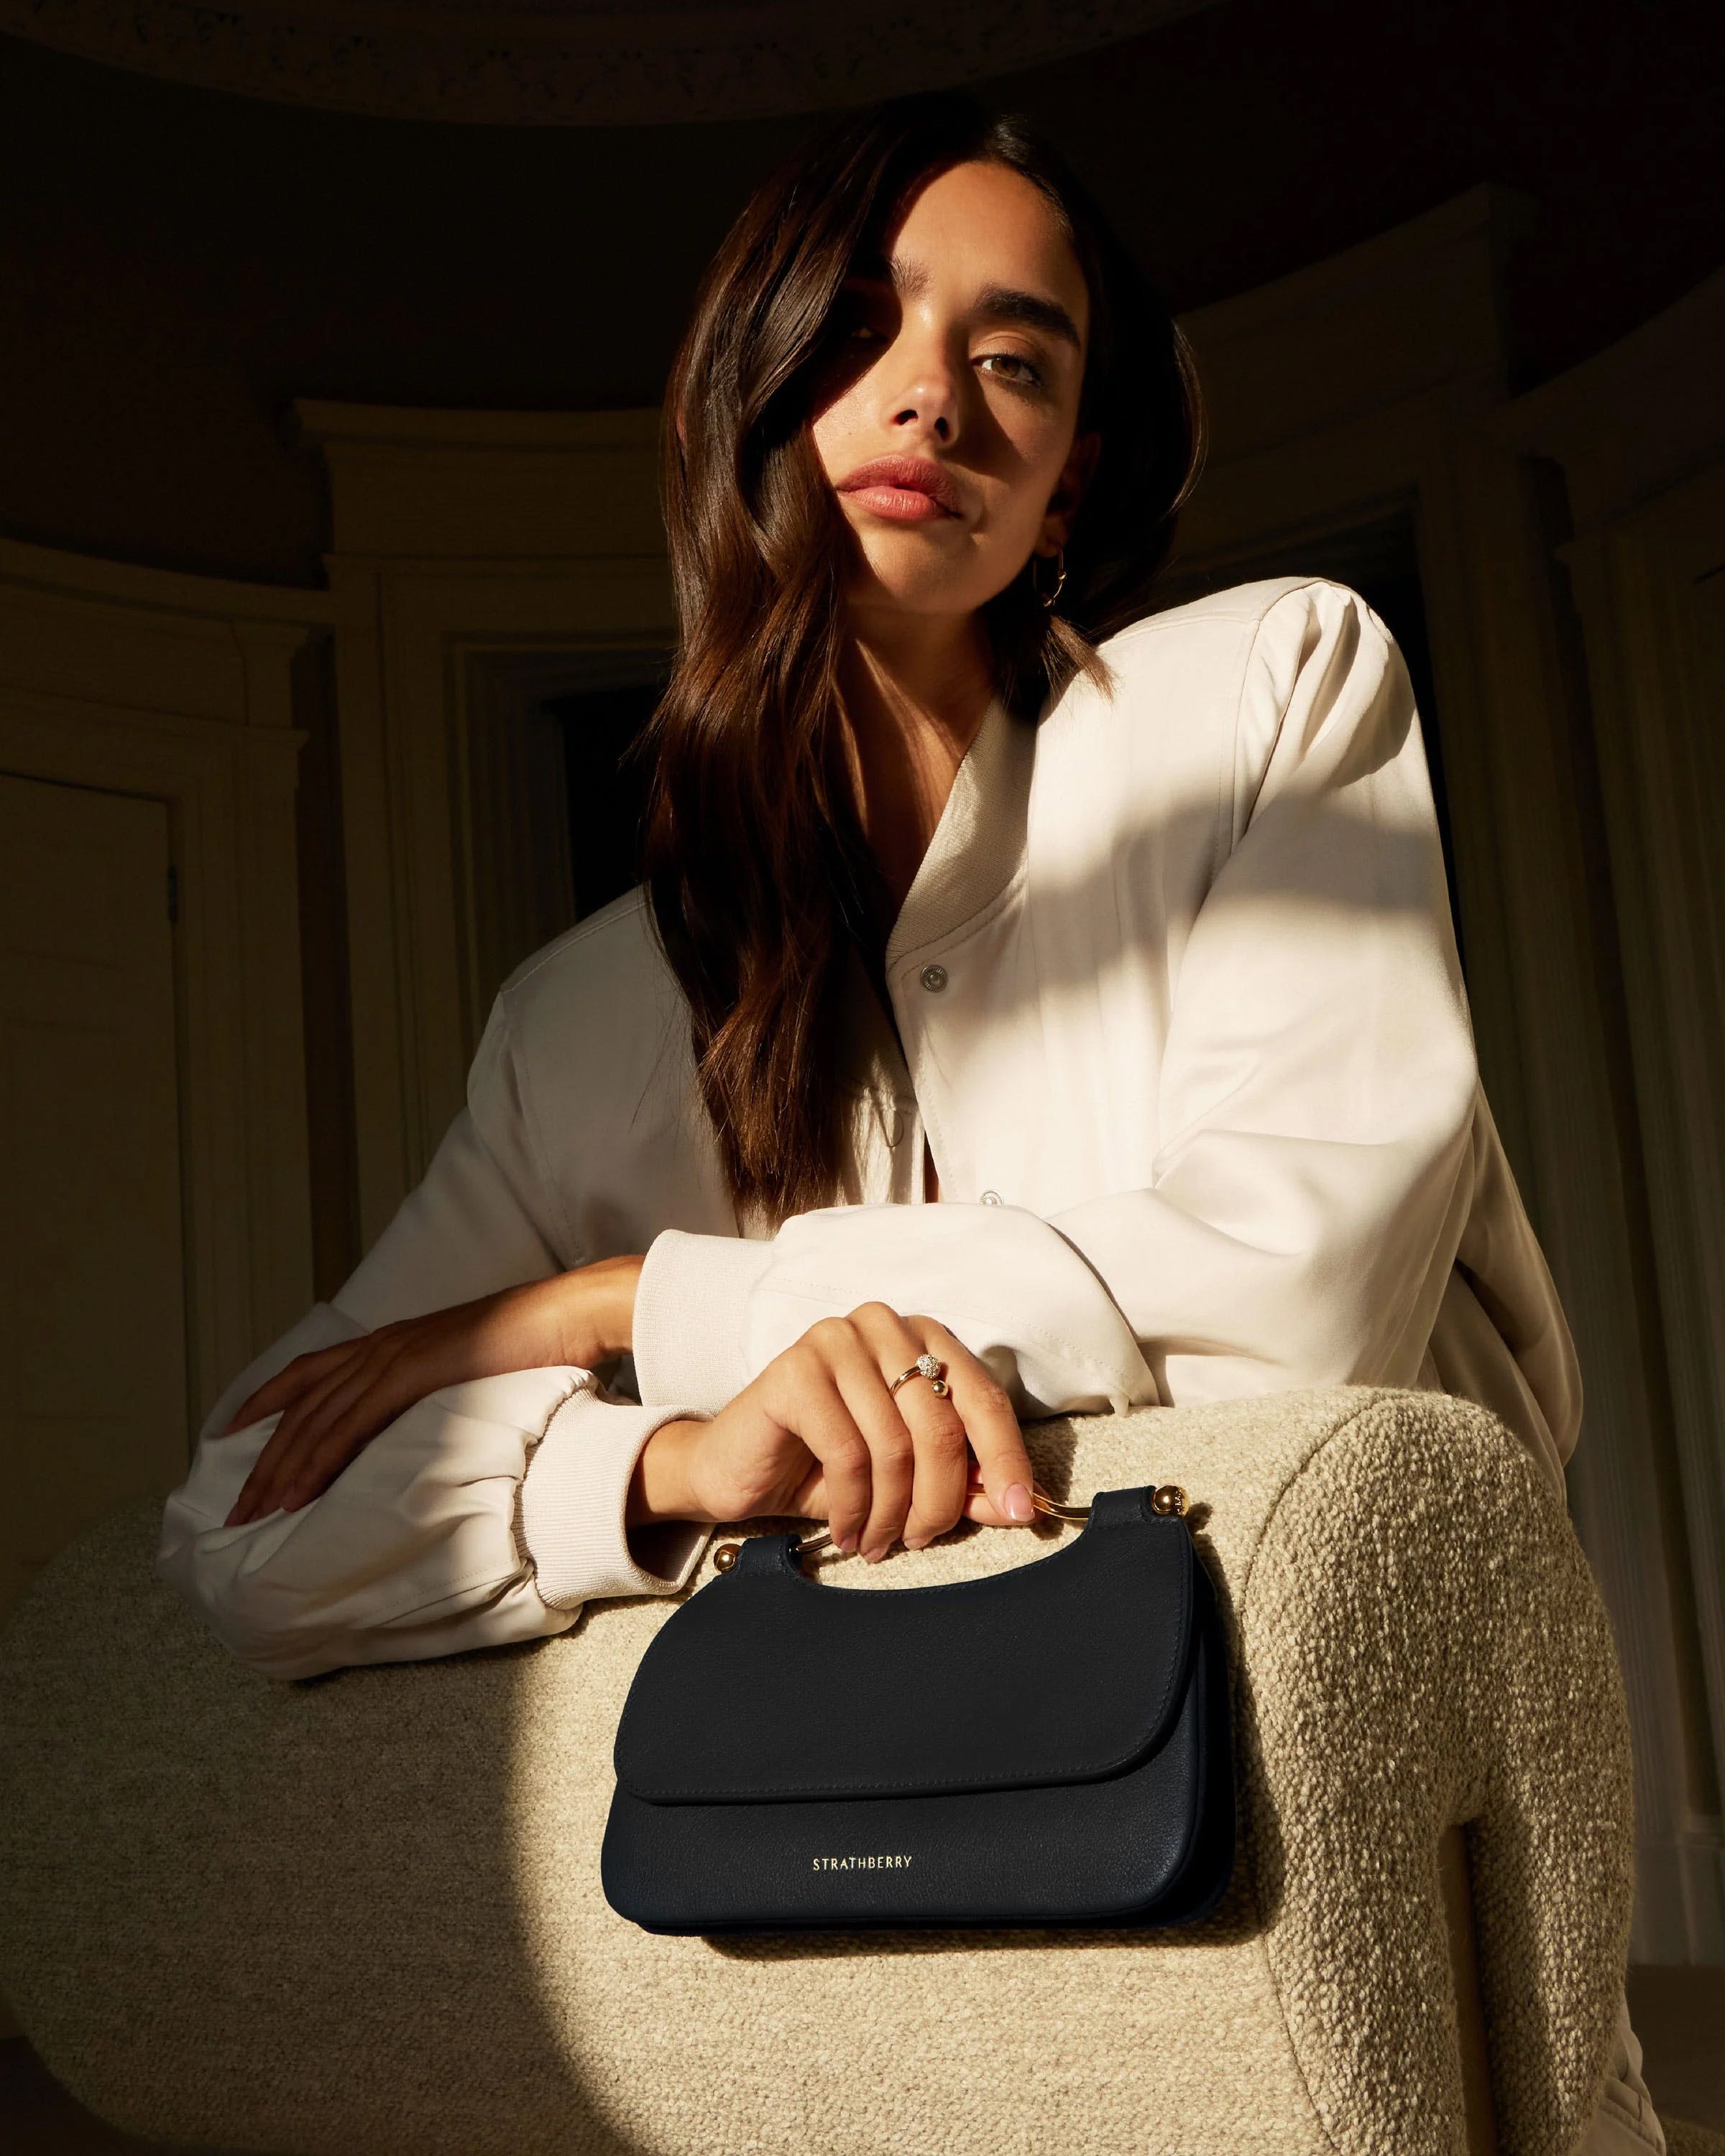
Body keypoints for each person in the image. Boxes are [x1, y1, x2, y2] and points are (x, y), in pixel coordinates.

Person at [157, 95, 1663, 2154]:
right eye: (867, 327)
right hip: (843, 1974)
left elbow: (1289, 1305)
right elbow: (247, 1514)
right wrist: (679, 1457)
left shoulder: (1272, 700)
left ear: (1070, 480)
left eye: (1014, 360)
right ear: (752, 397)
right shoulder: (593, 1011)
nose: (931, 399)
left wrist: (613, 1301)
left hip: (1350, 1883)